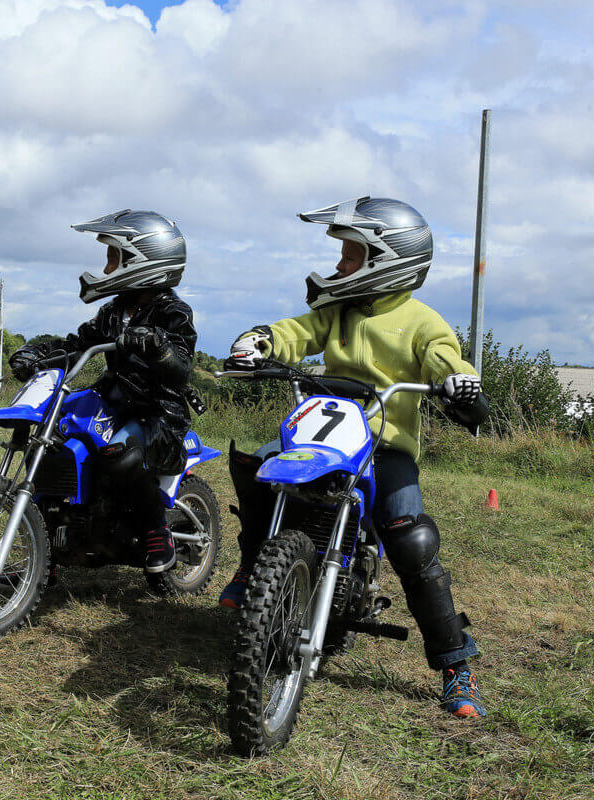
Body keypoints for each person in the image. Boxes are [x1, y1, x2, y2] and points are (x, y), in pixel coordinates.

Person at [218, 196, 490, 719]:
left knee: (411, 538)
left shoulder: (422, 321)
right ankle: (253, 567)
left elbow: (443, 356)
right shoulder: (337, 311)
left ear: (385, 260)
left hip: (384, 445)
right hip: (322, 436)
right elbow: (298, 332)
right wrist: (262, 340)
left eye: (350, 254)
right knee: (259, 470)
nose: (341, 265)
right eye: (343, 254)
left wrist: (456, 379)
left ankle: (458, 665)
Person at [9, 209, 196, 574]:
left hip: (156, 411)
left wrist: (158, 345)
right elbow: (78, 344)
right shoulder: (113, 311)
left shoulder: (174, 312)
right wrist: (39, 353)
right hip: (111, 401)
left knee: (120, 454)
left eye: (114, 257)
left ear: (145, 261)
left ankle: (158, 530)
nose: (107, 267)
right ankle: (50, 545)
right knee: (57, 446)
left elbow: (181, 367)